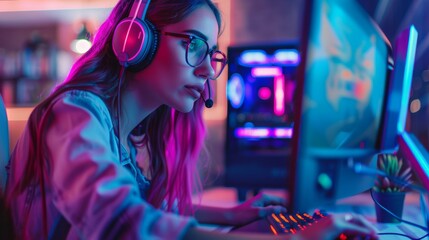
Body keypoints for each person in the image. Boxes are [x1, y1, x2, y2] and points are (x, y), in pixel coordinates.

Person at [4, 0, 378, 239]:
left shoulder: (124, 134)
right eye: (193, 44)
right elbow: (118, 220)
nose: (205, 70)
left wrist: (232, 215)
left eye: (211, 54)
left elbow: (143, 204)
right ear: (136, 41)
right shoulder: (75, 112)